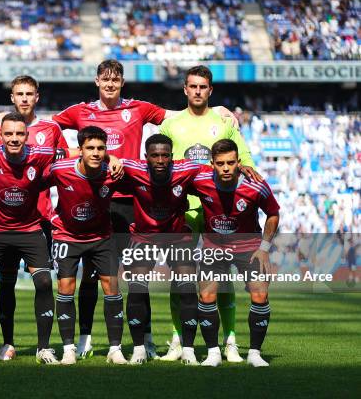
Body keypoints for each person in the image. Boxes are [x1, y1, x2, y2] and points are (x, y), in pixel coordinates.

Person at [0, 60, 236, 358]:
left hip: (130, 202)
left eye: (115, 79)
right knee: (92, 276)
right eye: (105, 79)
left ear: (122, 82)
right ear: (97, 82)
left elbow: (176, 114)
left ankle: (143, 338)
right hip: (93, 199)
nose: (110, 84)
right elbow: (45, 126)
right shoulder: (80, 111)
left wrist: (217, 109)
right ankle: (84, 338)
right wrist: (7, 123)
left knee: (136, 275)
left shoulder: (139, 108)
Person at [159, 65, 259, 362]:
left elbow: (243, 156)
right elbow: (161, 164)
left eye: (203, 86)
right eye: (193, 86)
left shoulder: (224, 122)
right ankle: (178, 340)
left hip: (220, 211)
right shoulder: (171, 125)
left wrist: (252, 176)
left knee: (222, 279)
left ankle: (229, 340)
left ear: (210, 90)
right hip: (184, 211)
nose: (198, 91)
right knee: (180, 279)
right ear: (185, 89)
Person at [0, 112, 75, 365]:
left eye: (19, 134)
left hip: (30, 230)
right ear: (0, 135)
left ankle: (44, 348)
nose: (14, 139)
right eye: (9, 134)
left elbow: (73, 153)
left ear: (27, 135)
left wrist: (112, 156)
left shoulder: (41, 153)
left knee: (46, 283)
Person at [0, 75, 68, 361]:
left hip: (40, 221)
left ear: (38, 97)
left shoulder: (51, 129)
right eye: (19, 93)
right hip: (5, 222)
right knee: (6, 283)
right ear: (12, 97)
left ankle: (43, 345)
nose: (24, 98)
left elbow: (64, 170)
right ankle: (7, 343)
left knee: (44, 283)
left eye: (29, 93)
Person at [191, 139, 279, 367]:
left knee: (260, 296)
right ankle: (212, 353)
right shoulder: (200, 179)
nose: (226, 168)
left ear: (239, 162)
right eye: (220, 163)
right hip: (213, 247)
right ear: (212, 164)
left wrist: (265, 248)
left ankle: (255, 354)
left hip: (249, 248)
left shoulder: (255, 184)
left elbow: (273, 213)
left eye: (231, 162)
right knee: (206, 297)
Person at [43, 126, 126, 365]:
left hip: (101, 237)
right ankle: (69, 349)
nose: (96, 153)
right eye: (90, 148)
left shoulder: (114, 173)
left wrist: (116, 158)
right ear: (79, 150)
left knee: (112, 288)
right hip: (66, 236)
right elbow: (34, 182)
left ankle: (115, 349)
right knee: (66, 288)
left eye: (101, 148)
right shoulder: (60, 170)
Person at [119, 134, 202, 365]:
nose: (160, 160)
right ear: (146, 158)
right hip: (144, 237)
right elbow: (109, 161)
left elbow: (213, 169)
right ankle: (139, 348)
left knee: (187, 289)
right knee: (136, 288)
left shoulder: (186, 169)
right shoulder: (134, 168)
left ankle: (188, 350)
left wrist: (244, 168)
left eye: (165, 155)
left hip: (177, 236)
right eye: (155, 155)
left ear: (172, 158)